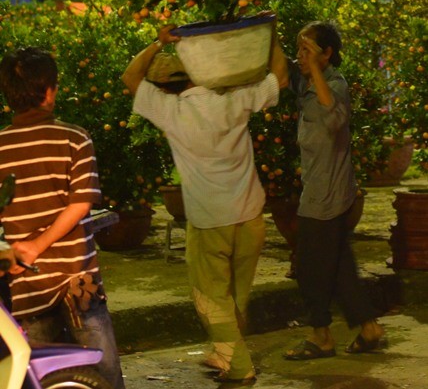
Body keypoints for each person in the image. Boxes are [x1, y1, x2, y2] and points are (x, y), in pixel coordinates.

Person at [122, 22, 288, 384]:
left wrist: (158, 41)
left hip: (210, 220)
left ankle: (240, 367)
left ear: (167, 86)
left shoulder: (170, 111)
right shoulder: (235, 100)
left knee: (211, 299)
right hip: (250, 217)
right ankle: (224, 353)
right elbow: (280, 76)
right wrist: (269, 37)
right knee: (234, 298)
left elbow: (130, 76)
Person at [0, 46, 125, 389]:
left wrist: (21, 250)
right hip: (77, 280)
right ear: (50, 91)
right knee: (105, 374)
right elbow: (80, 205)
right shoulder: (74, 138)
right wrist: (39, 245)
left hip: (26, 284)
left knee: (36, 377)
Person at [282, 21, 385, 360]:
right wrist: (265, 28)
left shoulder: (335, 84)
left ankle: (320, 336)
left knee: (309, 267)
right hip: (323, 191)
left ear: (327, 54)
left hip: (326, 197)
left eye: (308, 51)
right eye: (299, 50)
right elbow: (276, 64)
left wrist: (313, 68)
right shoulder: (305, 83)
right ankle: (369, 329)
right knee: (340, 266)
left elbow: (334, 118)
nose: (300, 57)